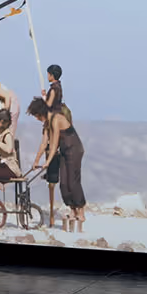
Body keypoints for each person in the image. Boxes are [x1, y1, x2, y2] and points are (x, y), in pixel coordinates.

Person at [29, 95, 85, 232]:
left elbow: (53, 145)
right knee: (64, 184)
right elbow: (44, 144)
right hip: (65, 152)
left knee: (73, 181)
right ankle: (72, 209)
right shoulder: (47, 123)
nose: (36, 118)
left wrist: (47, 162)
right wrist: (36, 161)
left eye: (36, 115)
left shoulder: (56, 119)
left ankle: (80, 210)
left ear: (40, 113)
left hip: (74, 149)